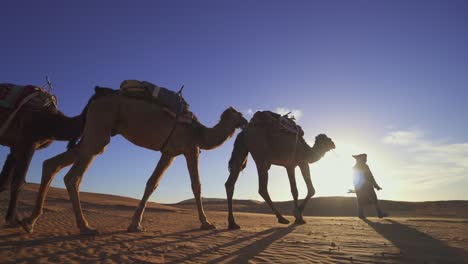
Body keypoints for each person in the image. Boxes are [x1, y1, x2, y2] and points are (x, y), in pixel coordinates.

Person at [352, 154, 388, 219]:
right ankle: (378, 213)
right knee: (371, 199)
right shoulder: (362, 166)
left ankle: (361, 214)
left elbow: (368, 176)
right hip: (366, 186)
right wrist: (376, 185)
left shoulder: (357, 167)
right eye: (364, 158)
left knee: (363, 200)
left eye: (366, 158)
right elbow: (370, 176)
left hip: (363, 186)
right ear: (360, 159)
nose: (366, 160)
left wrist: (376, 185)